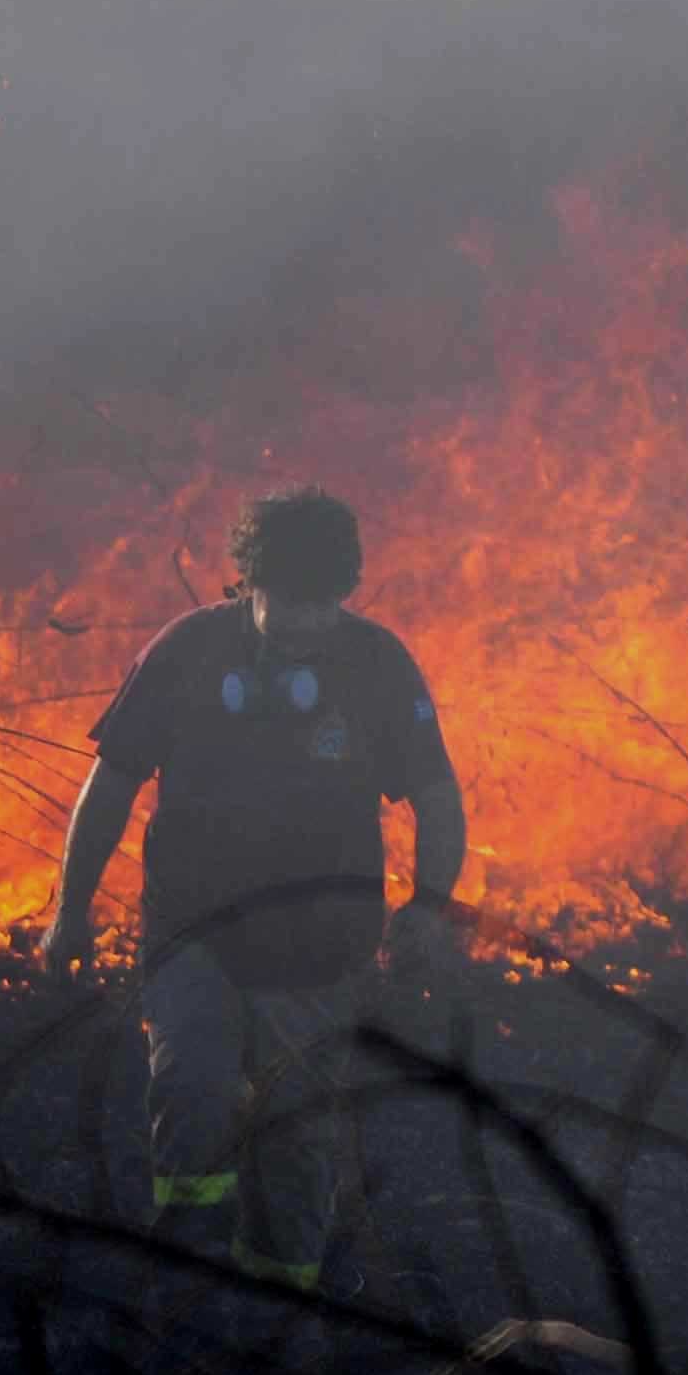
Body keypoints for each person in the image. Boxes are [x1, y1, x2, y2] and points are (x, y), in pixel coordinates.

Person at [38, 484, 469, 1303]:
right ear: (247, 582)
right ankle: (187, 1271)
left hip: (320, 947)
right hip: (190, 933)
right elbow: (111, 784)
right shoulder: (187, 652)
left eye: (326, 603)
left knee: (297, 1139)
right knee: (191, 1093)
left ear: (347, 590)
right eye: (290, 602)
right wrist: (70, 910)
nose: (309, 623)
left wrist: (429, 905)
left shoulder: (378, 665)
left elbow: (437, 796)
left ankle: (279, 1312)